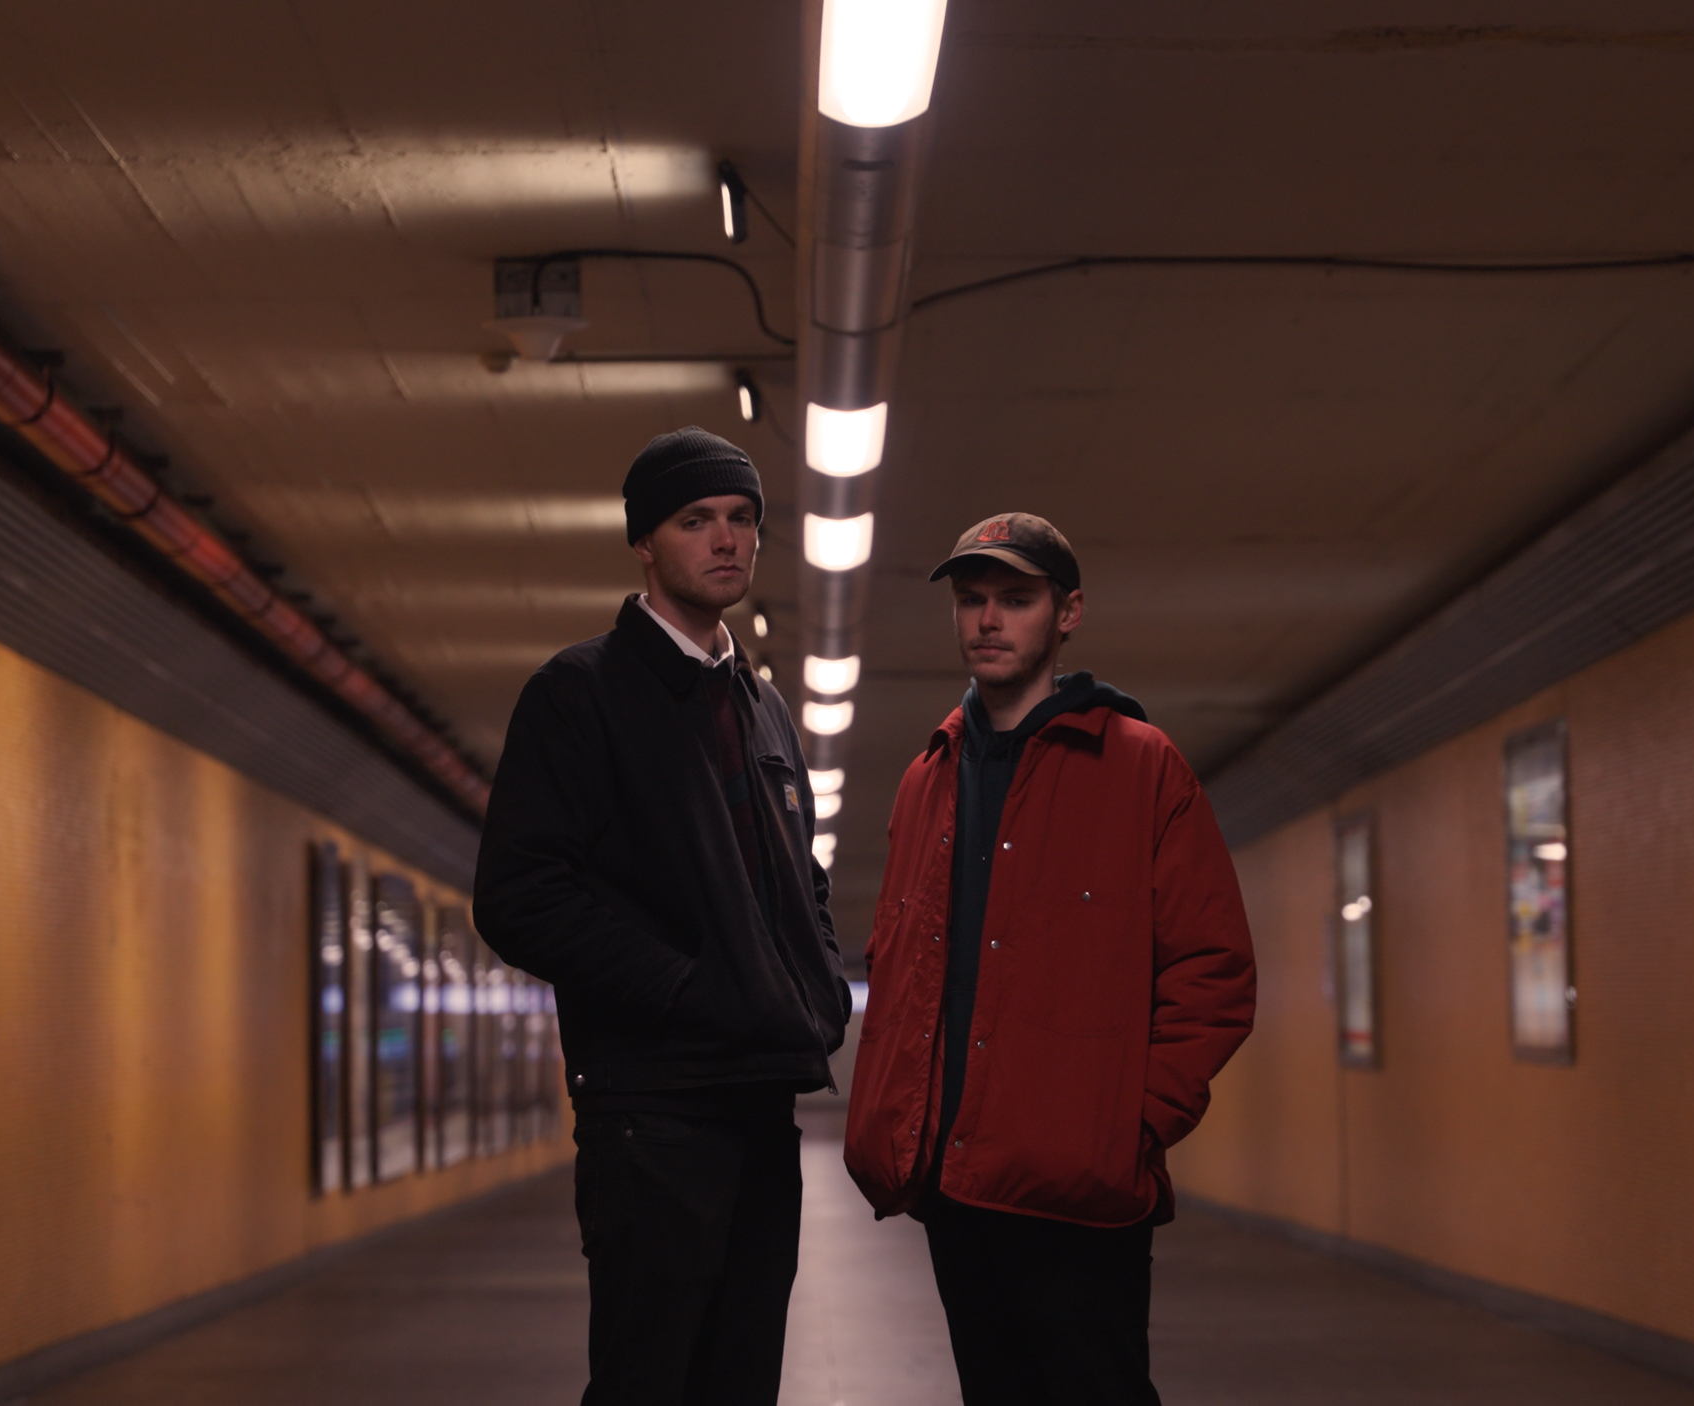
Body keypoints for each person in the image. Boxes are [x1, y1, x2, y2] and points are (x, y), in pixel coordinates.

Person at [844, 512, 1257, 1406]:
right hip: (953, 1184)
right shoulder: (927, 779)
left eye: (1016, 599)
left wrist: (1130, 1125)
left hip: (1079, 1190)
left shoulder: (1142, 767)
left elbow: (1214, 971)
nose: (989, 620)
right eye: (972, 601)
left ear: (1067, 614)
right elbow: (901, 963)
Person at [474, 426, 850, 1406]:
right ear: (645, 541)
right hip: (653, 1110)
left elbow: (798, 881)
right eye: (696, 520)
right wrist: (687, 989)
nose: (726, 539)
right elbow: (519, 896)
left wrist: (812, 988)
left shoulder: (762, 708)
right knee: (650, 1380)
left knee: (741, 1379)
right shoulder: (580, 694)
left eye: (742, 519)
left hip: (761, 1099)